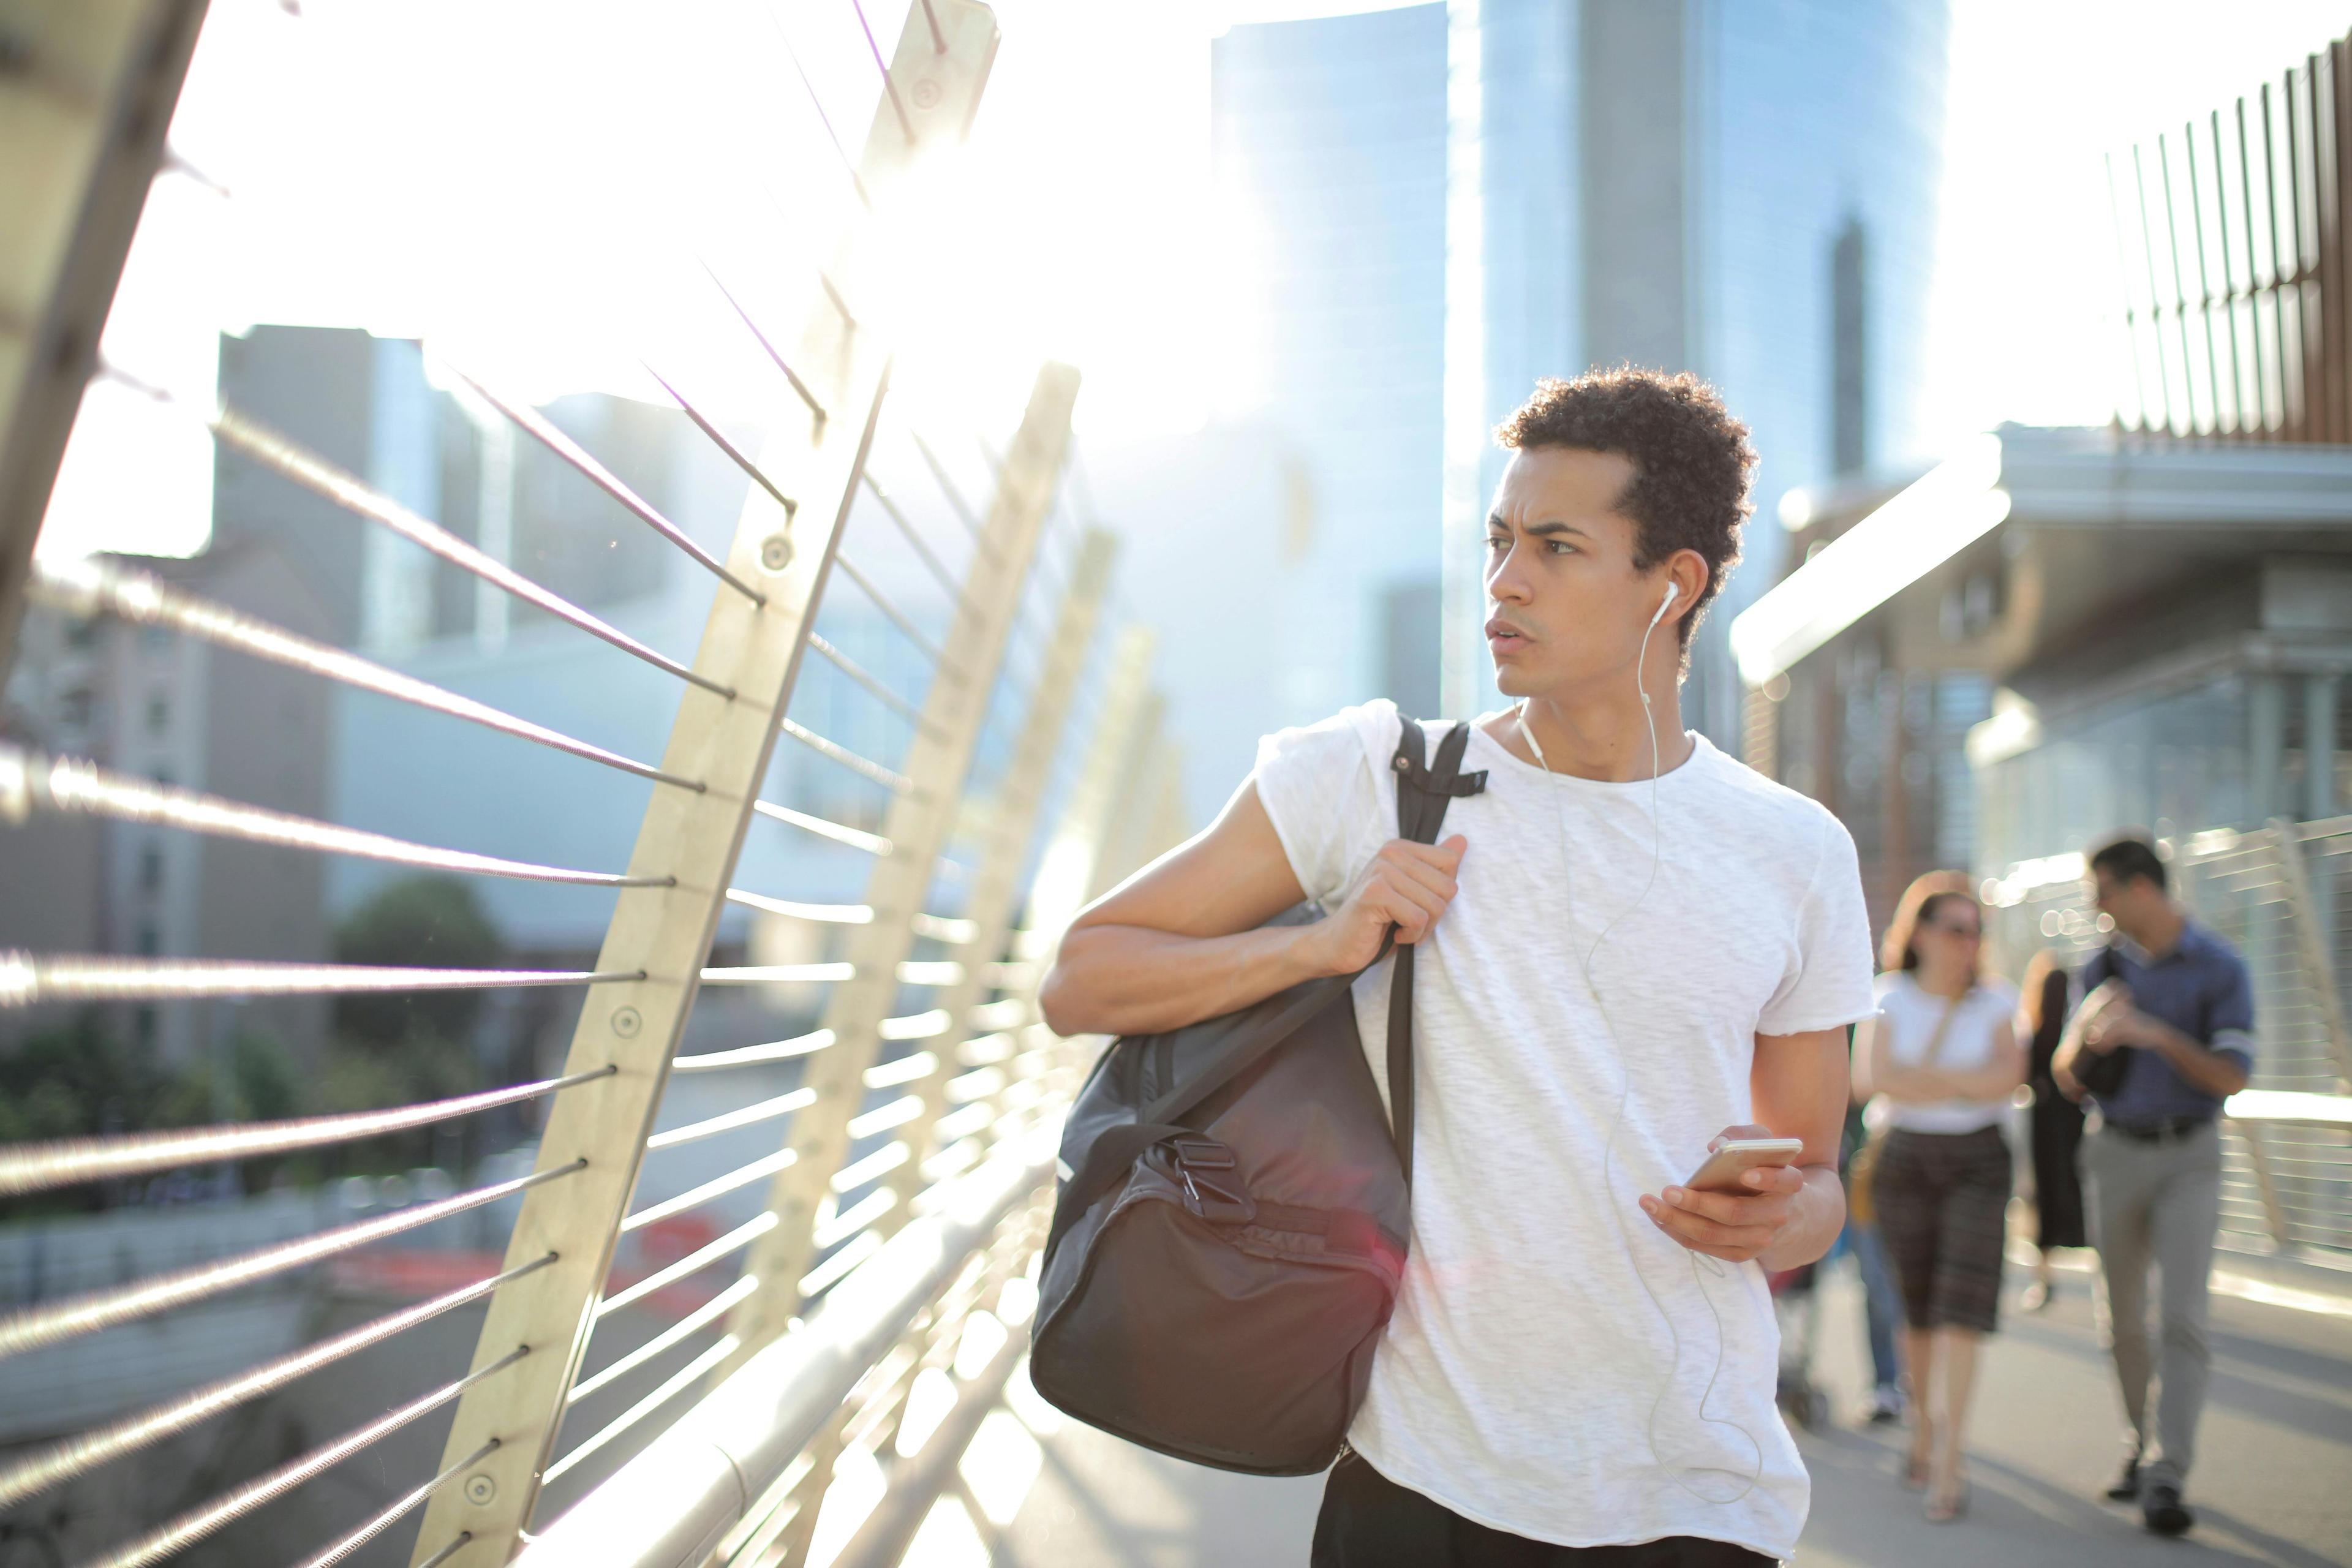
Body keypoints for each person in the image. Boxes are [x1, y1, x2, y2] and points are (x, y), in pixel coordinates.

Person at [1041, 369, 1875, 1566]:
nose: (1505, 580)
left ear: (1673, 584)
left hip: (1697, 1490)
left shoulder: (1794, 851)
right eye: (1498, 541)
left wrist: (1771, 1213)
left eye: (1556, 546)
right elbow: (1084, 973)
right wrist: (1318, 943)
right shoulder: (1377, 775)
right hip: (1422, 1481)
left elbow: (1819, 1193)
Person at [2054, 834, 2254, 1539]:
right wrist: (2091, 1035)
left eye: (2102, 892)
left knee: (2184, 1315)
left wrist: (2155, 1034)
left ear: (2141, 888)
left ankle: (2170, 1472)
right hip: (2113, 1150)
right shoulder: (2098, 965)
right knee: (2121, 1316)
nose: (2095, 907)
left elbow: (2233, 1076)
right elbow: (2065, 1076)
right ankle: (2139, 1442)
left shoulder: (2221, 966)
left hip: (2190, 1153)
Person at [1851, 873, 2024, 1525]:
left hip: (1980, 1162)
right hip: (1904, 1163)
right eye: (1955, 927)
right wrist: (1965, 1081)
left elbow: (2007, 1078)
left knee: (1963, 1310)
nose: (1967, 941)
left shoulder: (1998, 1000)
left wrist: (1931, 1079)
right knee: (1917, 1309)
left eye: (1975, 929)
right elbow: (1873, 1079)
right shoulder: (1887, 996)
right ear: (1919, 932)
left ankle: (1951, 1457)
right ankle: (1924, 1425)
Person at [2018, 948, 2087, 1311]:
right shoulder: (2076, 1033)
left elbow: (2023, 1076)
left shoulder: (2034, 1032)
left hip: (2044, 1124)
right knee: (2083, 1195)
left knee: (2042, 1199)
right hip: (2076, 1122)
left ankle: (2043, 1282)